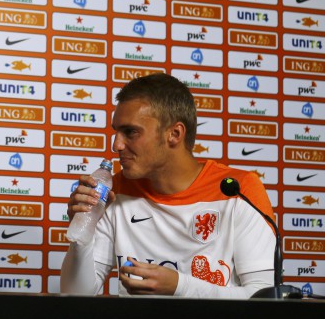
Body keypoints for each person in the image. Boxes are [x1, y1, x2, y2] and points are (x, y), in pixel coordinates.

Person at [60, 72, 274, 298]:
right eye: (116, 132)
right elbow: (75, 295)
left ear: (174, 134)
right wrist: (84, 230)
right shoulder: (114, 191)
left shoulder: (239, 190)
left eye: (130, 132)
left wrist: (180, 287)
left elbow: (265, 298)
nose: (116, 145)